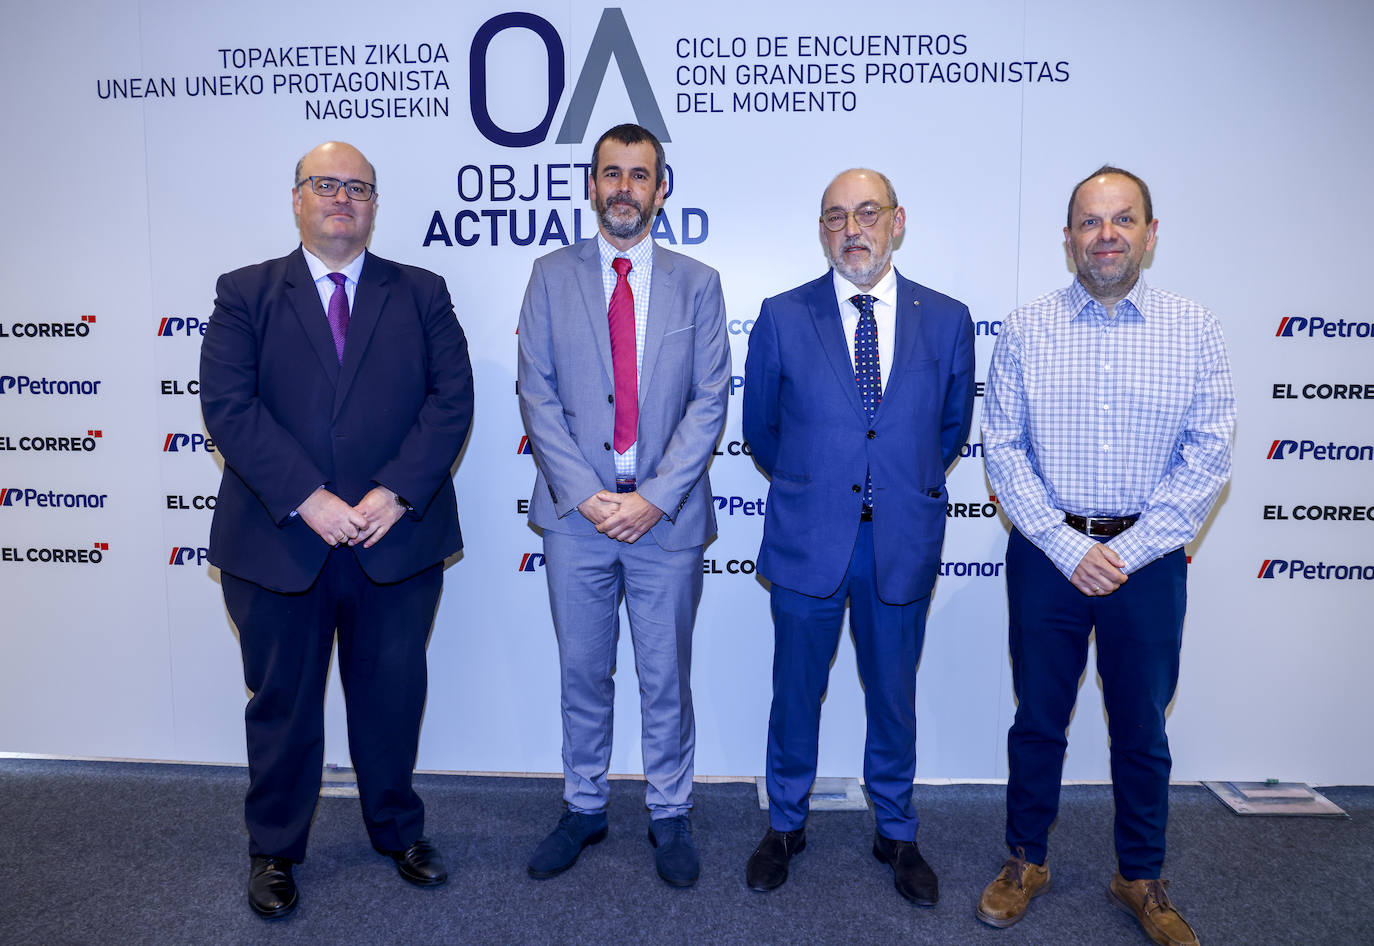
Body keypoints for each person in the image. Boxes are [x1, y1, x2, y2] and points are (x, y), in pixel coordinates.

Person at [200, 141, 474, 919]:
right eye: (327, 185)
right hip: (282, 541)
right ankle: (275, 850)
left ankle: (397, 831)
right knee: (282, 705)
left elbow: (451, 399)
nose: (343, 199)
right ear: (297, 199)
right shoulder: (245, 293)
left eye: (359, 188)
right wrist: (309, 498)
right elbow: (229, 406)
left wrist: (395, 493)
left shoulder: (421, 292)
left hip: (395, 539)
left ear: (375, 205)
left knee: (391, 696)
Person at [978, 166, 1234, 945]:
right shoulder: (1026, 329)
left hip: (1148, 562)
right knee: (1039, 720)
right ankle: (1026, 859)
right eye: (1090, 223)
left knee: (1141, 727)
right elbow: (1004, 450)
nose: (1107, 236)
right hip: (1047, 556)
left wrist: (1125, 550)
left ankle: (1141, 876)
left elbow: (1209, 455)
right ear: (1068, 240)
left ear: (1151, 234)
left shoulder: (1196, 330)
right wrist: (1065, 544)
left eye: (1123, 220)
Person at [741, 169, 975, 905]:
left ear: (896, 221)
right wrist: (823, 489)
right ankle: (785, 823)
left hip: (899, 542)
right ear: (821, 230)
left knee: (894, 697)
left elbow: (947, 430)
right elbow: (762, 433)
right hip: (809, 539)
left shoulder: (948, 318)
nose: (853, 228)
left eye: (867, 212)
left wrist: (887, 486)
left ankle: (897, 832)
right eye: (836, 216)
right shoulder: (782, 316)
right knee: (794, 694)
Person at [516, 123, 730, 887]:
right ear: (590, 185)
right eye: (612, 173)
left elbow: (710, 402)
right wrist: (591, 497)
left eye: (640, 175)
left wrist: (655, 499)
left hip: (664, 520)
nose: (624, 189)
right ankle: (584, 804)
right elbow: (536, 393)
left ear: (661, 190)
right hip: (577, 519)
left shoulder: (697, 283)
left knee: (664, 674)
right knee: (582, 670)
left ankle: (669, 813)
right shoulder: (549, 275)